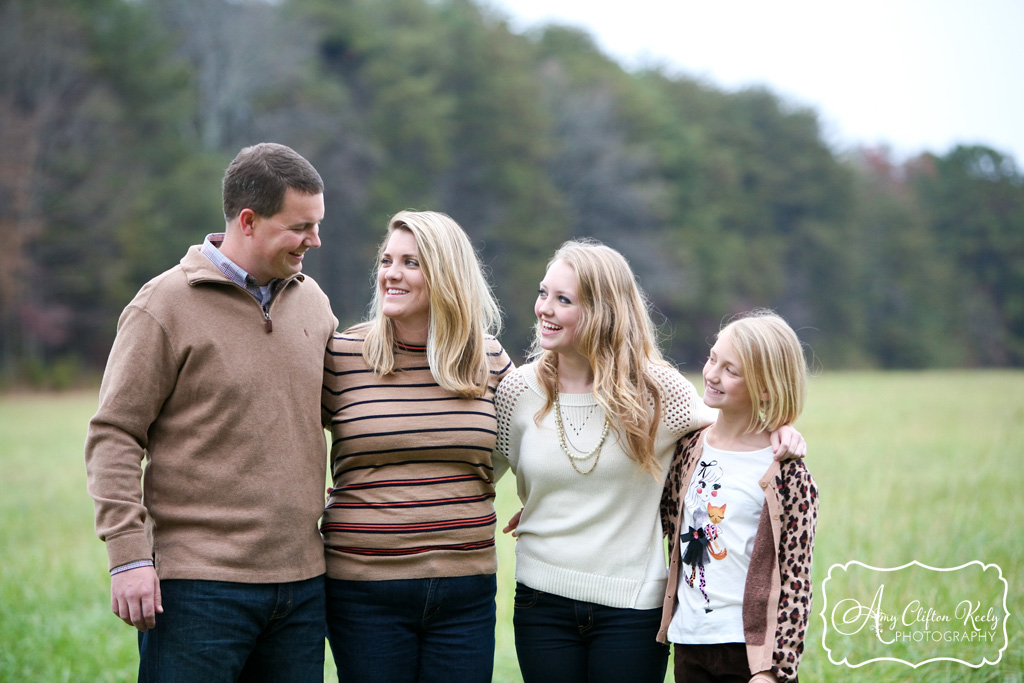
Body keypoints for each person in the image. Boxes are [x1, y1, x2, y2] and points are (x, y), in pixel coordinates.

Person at [493, 239, 806, 683]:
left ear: (603, 311)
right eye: (544, 293)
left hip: (632, 609)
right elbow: (476, 475)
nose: (544, 307)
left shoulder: (660, 392)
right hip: (542, 603)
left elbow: (726, 433)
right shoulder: (517, 392)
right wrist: (550, 496)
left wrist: (780, 430)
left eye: (563, 299)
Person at [84, 142, 336, 682]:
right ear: (248, 220)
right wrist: (128, 556)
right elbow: (114, 435)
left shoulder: (313, 301)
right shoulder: (162, 305)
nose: (314, 240)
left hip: (302, 587)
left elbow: (352, 410)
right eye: (301, 227)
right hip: (198, 590)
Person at [321, 210, 513, 683]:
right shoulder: (344, 355)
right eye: (387, 260)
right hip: (363, 590)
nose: (391, 274)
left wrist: (548, 500)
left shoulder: (487, 359)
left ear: (446, 275)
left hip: (465, 589)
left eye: (411, 262)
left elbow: (521, 445)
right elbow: (288, 442)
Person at [657, 309, 818, 683]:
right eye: (713, 358)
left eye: (731, 370)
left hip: (749, 655)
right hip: (689, 643)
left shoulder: (787, 472)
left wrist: (775, 671)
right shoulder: (687, 449)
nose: (712, 374)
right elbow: (655, 512)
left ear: (765, 387)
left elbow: (796, 580)